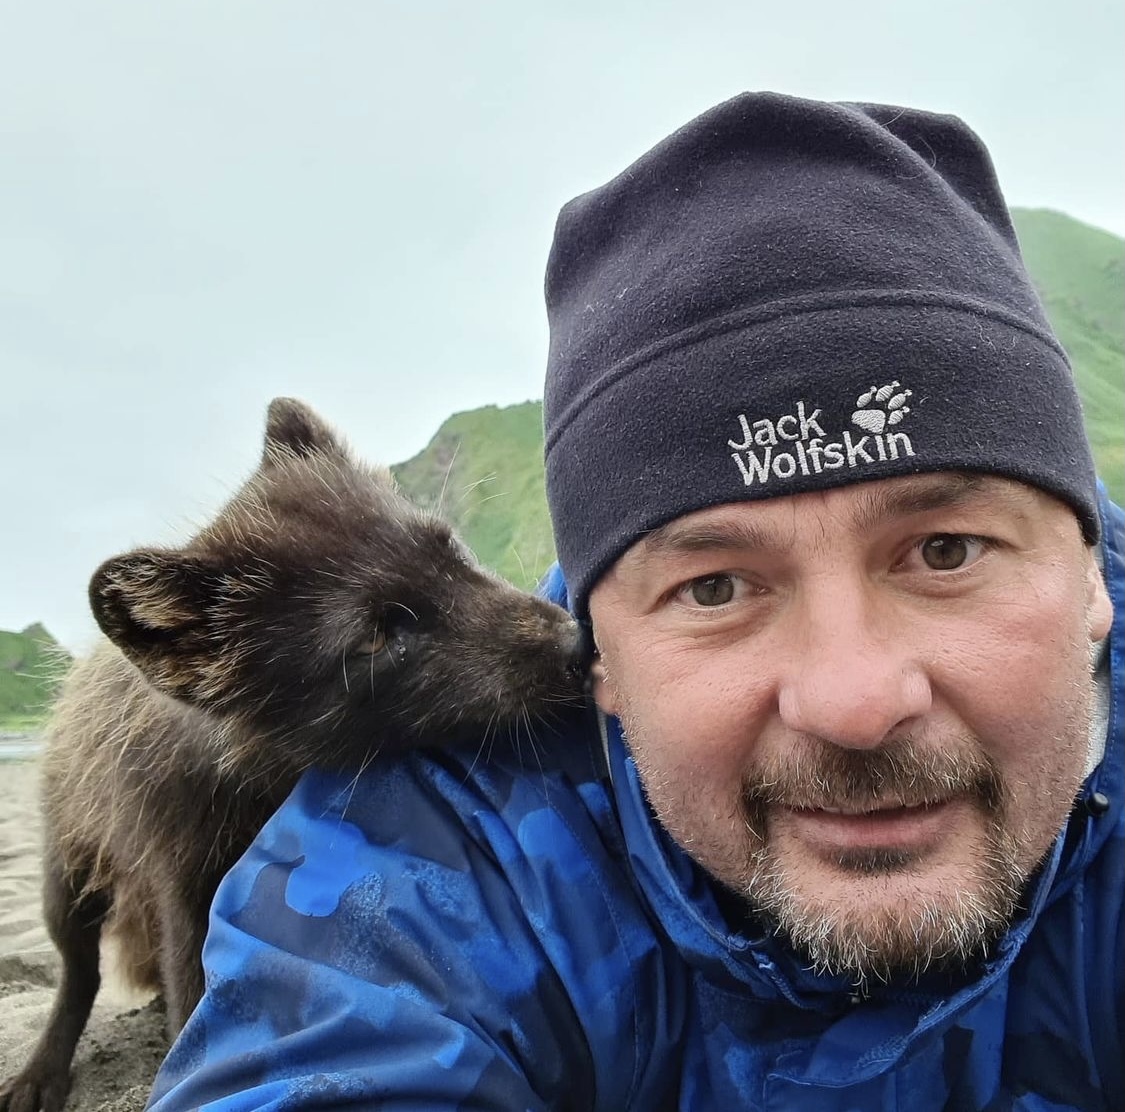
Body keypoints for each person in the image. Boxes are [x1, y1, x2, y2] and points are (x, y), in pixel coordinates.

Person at [147, 93, 1122, 1110]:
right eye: (714, 585)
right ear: (597, 645)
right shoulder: (442, 852)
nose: (854, 699)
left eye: (945, 549)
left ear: (1092, 568)